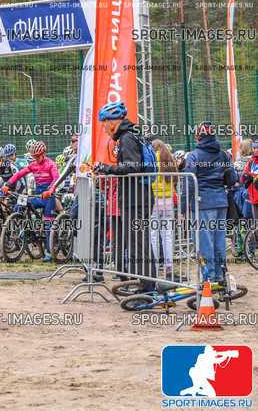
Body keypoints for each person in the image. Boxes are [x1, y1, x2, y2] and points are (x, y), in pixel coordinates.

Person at [92, 100, 156, 291]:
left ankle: (146, 288)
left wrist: (107, 168)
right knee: (140, 243)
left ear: (113, 121)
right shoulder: (132, 135)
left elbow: (132, 167)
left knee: (138, 244)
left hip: (136, 199)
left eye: (104, 123)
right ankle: (146, 285)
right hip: (138, 197)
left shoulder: (127, 138)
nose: (104, 128)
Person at [182, 121, 236, 283]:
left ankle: (209, 279)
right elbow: (232, 179)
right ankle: (220, 276)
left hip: (203, 204)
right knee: (219, 241)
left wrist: (183, 207)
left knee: (204, 243)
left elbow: (188, 182)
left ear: (198, 137)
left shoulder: (194, 156)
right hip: (221, 202)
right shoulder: (224, 154)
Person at [0, 141, 59, 262]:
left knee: (48, 224)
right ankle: (25, 228)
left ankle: (49, 251)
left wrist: (50, 190)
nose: (36, 158)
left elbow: (56, 178)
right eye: (34, 156)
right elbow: (19, 174)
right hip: (38, 195)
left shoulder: (51, 164)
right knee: (21, 204)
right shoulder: (33, 165)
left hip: (49, 196)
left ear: (43, 154)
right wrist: (7, 184)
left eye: (37, 156)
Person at [150, 139, 177, 278]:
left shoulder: (152, 158)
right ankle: (169, 267)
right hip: (168, 200)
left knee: (153, 235)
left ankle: (154, 266)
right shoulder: (170, 159)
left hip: (155, 200)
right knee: (167, 236)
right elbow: (175, 180)